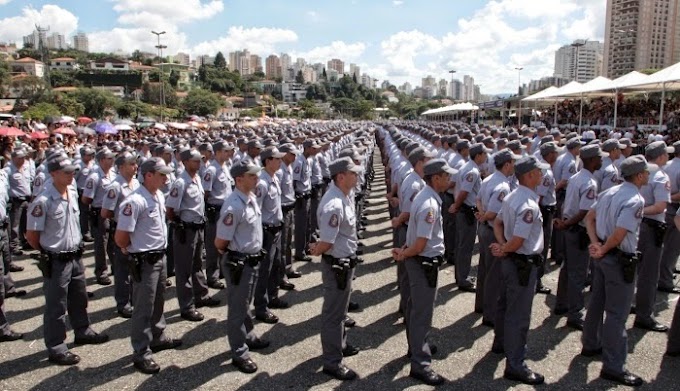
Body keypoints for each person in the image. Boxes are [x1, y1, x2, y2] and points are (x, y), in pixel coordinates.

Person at [26, 156, 109, 365]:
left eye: (73, 171)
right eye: (67, 172)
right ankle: (56, 347)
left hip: (75, 255)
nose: (72, 175)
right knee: (56, 306)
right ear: (53, 173)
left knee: (79, 298)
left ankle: (82, 331)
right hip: (57, 259)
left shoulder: (71, 192)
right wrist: (51, 252)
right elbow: (32, 236)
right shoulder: (43, 201)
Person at [582, 155, 647, 387]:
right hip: (618, 258)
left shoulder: (609, 192)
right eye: (645, 172)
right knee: (617, 314)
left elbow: (589, 218)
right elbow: (620, 234)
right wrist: (602, 248)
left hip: (603, 255)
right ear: (639, 175)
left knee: (597, 303)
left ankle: (590, 344)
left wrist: (596, 244)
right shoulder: (635, 199)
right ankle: (613, 366)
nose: (647, 175)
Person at [114, 157, 182, 374]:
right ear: (148, 175)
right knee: (143, 307)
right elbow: (121, 237)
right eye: (161, 174)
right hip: (145, 260)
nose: (166, 178)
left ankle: (157, 336)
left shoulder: (158, 195)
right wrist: (131, 251)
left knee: (158, 301)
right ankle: (141, 352)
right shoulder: (134, 201)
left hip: (159, 257)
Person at [392, 158, 454, 386]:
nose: (450, 179)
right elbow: (420, 244)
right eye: (446, 176)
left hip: (417, 260)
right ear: (435, 178)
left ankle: (417, 347)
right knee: (421, 314)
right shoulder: (429, 203)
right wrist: (405, 253)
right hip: (422, 262)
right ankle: (420, 364)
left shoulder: (426, 197)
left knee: (414, 310)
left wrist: (405, 253)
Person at [490, 156, 547, 385]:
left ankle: (501, 343)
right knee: (519, 316)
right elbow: (519, 238)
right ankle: (515, 364)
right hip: (522, 262)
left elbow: (497, 223)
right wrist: (506, 247)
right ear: (530, 175)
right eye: (539, 172)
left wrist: (503, 246)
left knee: (505, 305)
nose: (542, 176)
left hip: (512, 260)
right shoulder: (528, 204)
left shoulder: (513, 196)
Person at [309, 157, 364, 381]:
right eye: (353, 173)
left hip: (344, 262)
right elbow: (327, 243)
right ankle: (332, 362)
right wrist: (315, 249)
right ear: (341, 176)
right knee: (333, 315)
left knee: (340, 311)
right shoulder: (334, 204)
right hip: (337, 265)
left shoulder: (343, 196)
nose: (357, 175)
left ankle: (339, 345)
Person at [215, 160, 270, 374]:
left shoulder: (250, 197)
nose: (257, 179)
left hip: (251, 259)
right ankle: (239, 352)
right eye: (252, 176)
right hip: (239, 262)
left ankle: (248, 336)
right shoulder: (233, 206)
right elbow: (220, 242)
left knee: (244, 303)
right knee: (237, 309)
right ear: (239, 179)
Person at [554, 144, 604, 330]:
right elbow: (584, 211)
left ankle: (561, 304)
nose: (601, 161)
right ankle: (575, 313)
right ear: (591, 160)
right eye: (599, 158)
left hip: (569, 227)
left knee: (567, 268)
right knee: (577, 274)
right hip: (577, 229)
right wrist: (567, 223)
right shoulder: (589, 182)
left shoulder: (577, 177)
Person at [166, 148, 219, 322]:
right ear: (185, 161)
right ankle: (187, 306)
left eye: (200, 161)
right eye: (195, 161)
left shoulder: (195, 179)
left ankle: (201, 295)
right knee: (183, 270)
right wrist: (178, 223)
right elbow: (170, 209)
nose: (199, 163)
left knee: (197, 264)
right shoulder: (180, 182)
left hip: (198, 227)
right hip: (186, 229)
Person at [634, 141, 673, 332]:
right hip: (650, 226)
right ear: (660, 156)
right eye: (666, 154)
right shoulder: (659, 175)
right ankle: (644, 315)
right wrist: (639, 211)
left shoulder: (639, 170)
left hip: (636, 226)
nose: (668, 157)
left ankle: (634, 304)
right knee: (649, 275)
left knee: (635, 270)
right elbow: (660, 207)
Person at [477, 149, 517, 326]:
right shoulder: (503, 185)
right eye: (513, 163)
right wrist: (485, 216)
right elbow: (494, 213)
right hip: (493, 231)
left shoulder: (488, 179)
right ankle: (490, 314)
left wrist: (481, 214)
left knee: (484, 270)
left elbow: (478, 200)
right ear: (507, 164)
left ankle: (481, 305)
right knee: (494, 275)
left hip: (485, 228)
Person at [101, 152, 140, 318]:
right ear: (121, 166)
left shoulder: (137, 183)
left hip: (136, 229)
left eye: (135, 163)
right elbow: (106, 212)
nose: (135, 166)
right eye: (131, 164)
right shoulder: (115, 186)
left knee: (135, 266)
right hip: (122, 229)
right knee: (122, 268)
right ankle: (123, 303)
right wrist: (120, 221)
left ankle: (135, 298)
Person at [253, 147, 287, 323]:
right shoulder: (262, 183)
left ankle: (272, 297)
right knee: (264, 270)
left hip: (276, 228)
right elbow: (256, 211)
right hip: (266, 230)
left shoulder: (274, 177)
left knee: (276, 266)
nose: (280, 161)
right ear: (267, 161)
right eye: (276, 158)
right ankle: (261, 307)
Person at [451, 143, 491, 292]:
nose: (486, 157)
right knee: (465, 247)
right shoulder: (472, 171)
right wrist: (456, 205)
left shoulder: (469, 167)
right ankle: (463, 279)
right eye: (484, 154)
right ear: (478, 155)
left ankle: (462, 276)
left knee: (462, 246)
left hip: (465, 209)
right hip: (467, 211)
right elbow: (464, 193)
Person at [82, 148, 116, 285]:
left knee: (114, 243)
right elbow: (86, 199)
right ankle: (101, 272)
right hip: (100, 213)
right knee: (102, 244)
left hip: (113, 212)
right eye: (109, 158)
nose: (112, 160)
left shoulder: (113, 173)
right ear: (101, 160)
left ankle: (116, 267)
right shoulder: (94, 176)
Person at [202, 140, 233, 290]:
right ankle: (212, 276)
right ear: (218, 152)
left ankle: (221, 272)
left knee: (225, 241)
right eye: (226, 151)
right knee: (213, 244)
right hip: (215, 210)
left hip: (226, 210)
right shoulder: (211, 170)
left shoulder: (225, 167)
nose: (228, 153)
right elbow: (206, 194)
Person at [658, 141, 680, 294]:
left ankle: (661, 276)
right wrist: (668, 199)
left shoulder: (667, 164)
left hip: (663, 208)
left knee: (662, 245)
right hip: (674, 208)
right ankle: (665, 280)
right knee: (672, 248)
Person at [5, 148, 31, 256]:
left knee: (26, 223)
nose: (23, 160)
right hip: (15, 200)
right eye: (21, 158)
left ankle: (25, 241)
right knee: (14, 225)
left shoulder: (25, 167)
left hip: (26, 199)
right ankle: (14, 246)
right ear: (14, 158)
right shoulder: (8, 169)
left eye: (24, 157)